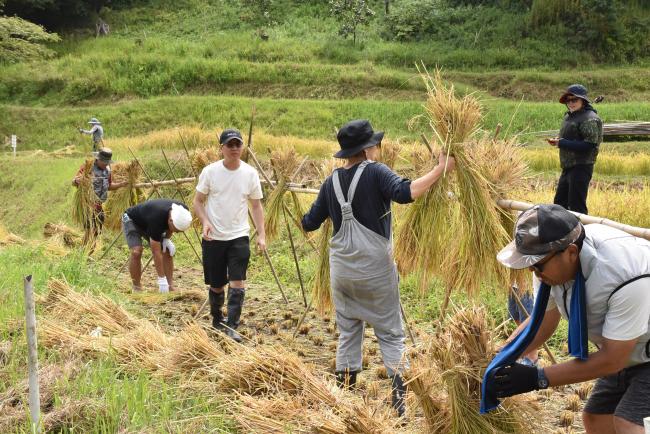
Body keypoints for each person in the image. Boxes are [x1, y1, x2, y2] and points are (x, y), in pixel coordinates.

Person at [301, 119, 456, 417]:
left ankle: (344, 400)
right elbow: (406, 192)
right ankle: (399, 407)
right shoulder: (375, 171)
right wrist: (440, 170)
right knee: (389, 333)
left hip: (342, 274)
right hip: (375, 271)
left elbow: (309, 222)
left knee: (348, 332)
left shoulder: (330, 181)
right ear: (369, 148)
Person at [490, 204, 650, 434]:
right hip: (628, 346)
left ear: (572, 253)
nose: (532, 272)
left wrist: (538, 378)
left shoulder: (625, 274)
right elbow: (542, 322)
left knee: (631, 425)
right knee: (597, 419)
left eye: (536, 265)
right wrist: (499, 359)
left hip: (635, 349)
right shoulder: (550, 265)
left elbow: (613, 359)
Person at [192, 128, 266, 343]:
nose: (234, 148)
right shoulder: (210, 172)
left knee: (238, 282)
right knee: (216, 284)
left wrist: (261, 234)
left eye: (238, 145)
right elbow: (198, 201)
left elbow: (256, 206)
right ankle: (217, 320)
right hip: (214, 237)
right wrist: (205, 221)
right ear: (221, 148)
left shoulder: (250, 173)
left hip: (239, 236)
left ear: (242, 147)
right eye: (230, 145)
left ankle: (232, 325)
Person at [547, 84, 603, 215]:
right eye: (568, 100)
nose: (571, 103)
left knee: (577, 206)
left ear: (583, 100)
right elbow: (571, 137)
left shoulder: (589, 118)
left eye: (574, 100)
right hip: (568, 166)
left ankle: (583, 233)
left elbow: (589, 145)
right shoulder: (570, 116)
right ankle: (562, 233)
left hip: (581, 166)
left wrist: (562, 143)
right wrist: (559, 140)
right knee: (559, 204)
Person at [122, 199, 192, 293]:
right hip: (132, 219)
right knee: (136, 251)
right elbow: (156, 252)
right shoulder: (156, 218)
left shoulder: (183, 211)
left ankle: (170, 286)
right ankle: (137, 287)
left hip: (148, 221)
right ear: (170, 220)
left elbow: (169, 229)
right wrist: (161, 278)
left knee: (166, 249)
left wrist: (167, 239)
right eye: (176, 230)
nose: (176, 232)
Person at [72, 148, 126, 246]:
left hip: (99, 205)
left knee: (97, 230)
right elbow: (74, 181)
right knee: (90, 229)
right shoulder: (88, 167)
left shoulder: (107, 170)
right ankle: (84, 252)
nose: (105, 164)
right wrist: (77, 181)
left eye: (107, 162)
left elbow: (109, 186)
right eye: (104, 162)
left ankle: (89, 251)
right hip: (87, 205)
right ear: (98, 159)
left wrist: (121, 184)